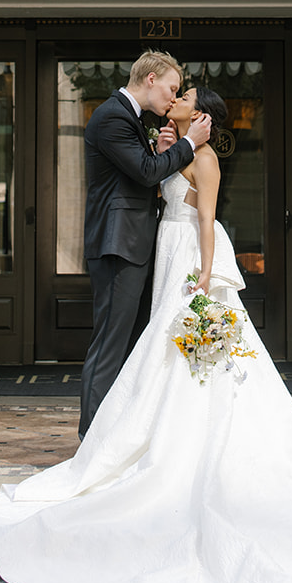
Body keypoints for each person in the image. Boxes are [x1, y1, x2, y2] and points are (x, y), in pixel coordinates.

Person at [0, 75, 292, 583]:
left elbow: (209, 220)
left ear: (201, 115)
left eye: (184, 97)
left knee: (192, 355)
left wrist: (205, 276)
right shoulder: (175, 145)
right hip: (167, 249)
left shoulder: (206, 157)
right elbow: (155, 178)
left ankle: (185, 444)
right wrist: (170, 149)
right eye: (175, 92)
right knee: (163, 351)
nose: (175, 100)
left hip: (191, 255)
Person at [77, 48, 212, 437]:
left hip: (131, 244)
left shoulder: (130, 118)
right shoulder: (112, 116)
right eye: (172, 88)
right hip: (117, 245)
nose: (173, 98)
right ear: (150, 79)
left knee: (129, 346)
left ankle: (115, 433)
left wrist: (164, 152)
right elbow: (144, 171)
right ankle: (91, 439)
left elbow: (142, 173)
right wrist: (188, 145)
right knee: (109, 346)